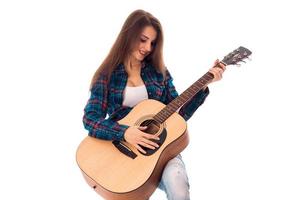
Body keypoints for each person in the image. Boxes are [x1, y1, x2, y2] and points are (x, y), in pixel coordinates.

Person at [83, 9, 225, 200]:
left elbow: (178, 115)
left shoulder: (159, 73)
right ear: (129, 35)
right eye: (143, 40)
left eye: (152, 43)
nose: (148, 47)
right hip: (122, 152)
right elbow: (90, 119)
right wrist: (124, 132)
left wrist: (204, 85)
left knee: (178, 183)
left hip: (160, 150)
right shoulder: (107, 76)